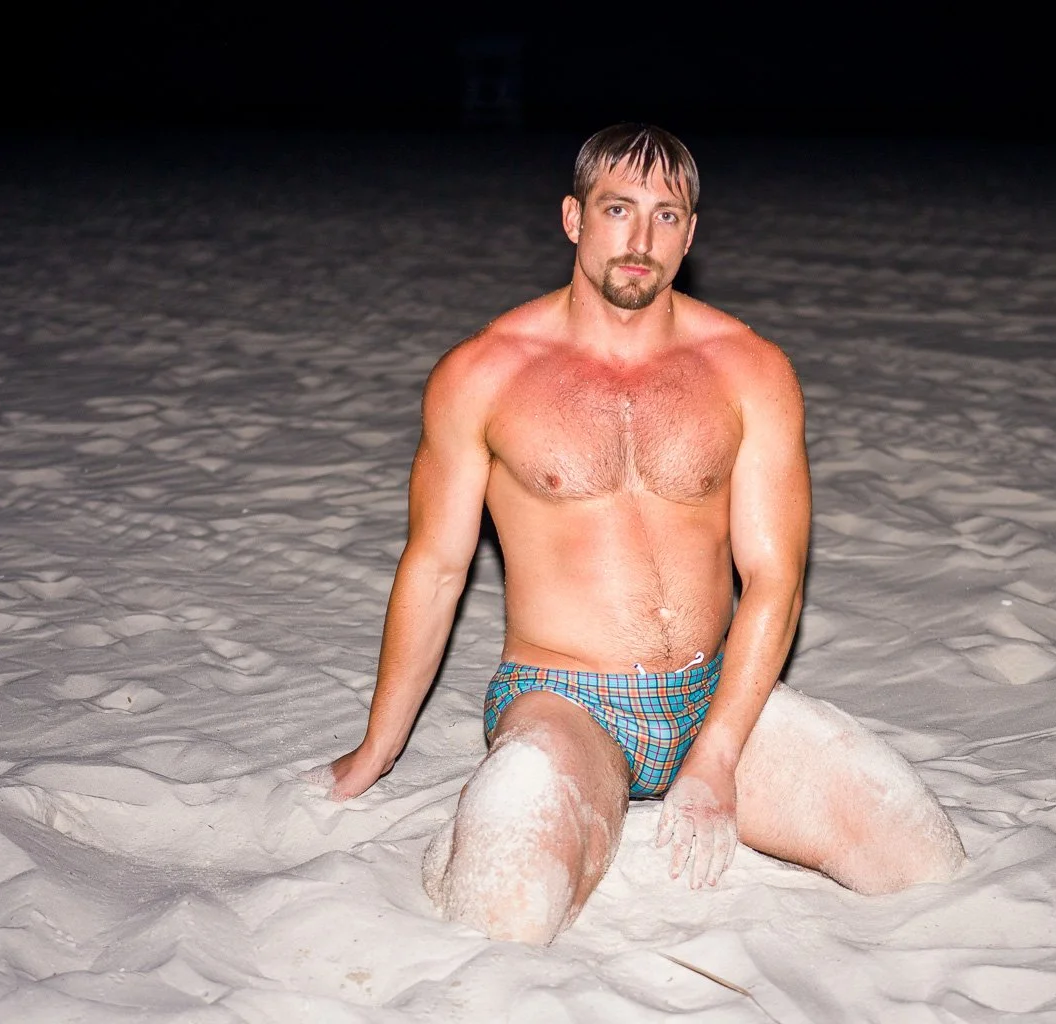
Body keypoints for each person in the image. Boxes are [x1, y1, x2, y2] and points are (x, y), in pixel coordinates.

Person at [323, 124, 966, 944]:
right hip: (566, 701)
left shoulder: (749, 368)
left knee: (922, 861)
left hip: (717, 693)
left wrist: (717, 759)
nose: (640, 239)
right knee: (504, 917)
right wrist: (377, 749)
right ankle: (493, 819)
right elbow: (438, 567)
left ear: (691, 233)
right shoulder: (483, 373)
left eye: (666, 216)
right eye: (618, 209)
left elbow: (775, 578)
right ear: (572, 218)